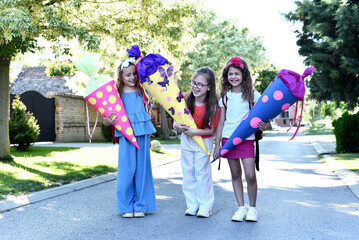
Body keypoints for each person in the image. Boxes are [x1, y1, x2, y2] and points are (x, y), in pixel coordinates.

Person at [213, 57, 270, 222]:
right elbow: (221, 122)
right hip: (228, 139)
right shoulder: (225, 97)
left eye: (236, 73)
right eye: (230, 74)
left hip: (247, 139)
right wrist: (217, 144)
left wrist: (265, 125)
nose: (233, 77)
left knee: (250, 175)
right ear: (226, 76)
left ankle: (252, 209)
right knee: (235, 174)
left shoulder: (253, 95)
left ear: (244, 75)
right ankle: (241, 208)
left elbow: (264, 115)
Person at [103, 57, 156, 218]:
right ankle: (126, 206)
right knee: (127, 169)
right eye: (128, 75)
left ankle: (141, 205)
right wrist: (107, 121)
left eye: (134, 74)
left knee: (142, 169)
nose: (132, 77)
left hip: (142, 133)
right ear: (120, 77)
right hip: (126, 135)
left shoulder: (143, 91)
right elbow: (107, 118)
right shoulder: (116, 94)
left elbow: (150, 112)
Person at [173, 67, 220, 218]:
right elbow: (176, 120)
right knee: (188, 173)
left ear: (209, 87)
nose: (196, 87)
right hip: (187, 141)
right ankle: (192, 205)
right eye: (194, 82)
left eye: (200, 84)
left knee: (202, 173)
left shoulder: (213, 106)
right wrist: (176, 126)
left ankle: (205, 206)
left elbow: (211, 130)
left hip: (203, 142)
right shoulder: (185, 99)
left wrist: (195, 132)